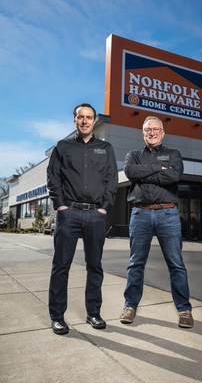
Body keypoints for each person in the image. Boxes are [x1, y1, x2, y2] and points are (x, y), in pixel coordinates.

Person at [47, 103, 118, 335]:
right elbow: (53, 177)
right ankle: (57, 317)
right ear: (75, 120)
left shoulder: (105, 148)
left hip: (96, 216)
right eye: (80, 117)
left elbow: (111, 180)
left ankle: (94, 313)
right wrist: (61, 206)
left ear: (95, 120)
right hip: (70, 214)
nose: (85, 121)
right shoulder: (63, 147)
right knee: (61, 267)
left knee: (95, 266)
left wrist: (105, 209)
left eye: (89, 117)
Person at [120, 116, 193, 328]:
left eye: (155, 129)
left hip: (168, 215)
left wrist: (146, 173)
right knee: (135, 263)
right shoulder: (133, 155)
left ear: (163, 132)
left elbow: (174, 176)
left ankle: (184, 310)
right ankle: (130, 306)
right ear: (143, 133)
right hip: (140, 214)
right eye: (147, 130)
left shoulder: (173, 154)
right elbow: (130, 172)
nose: (151, 132)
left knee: (176, 264)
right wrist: (159, 169)